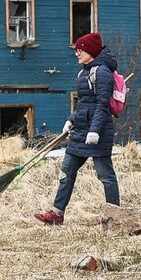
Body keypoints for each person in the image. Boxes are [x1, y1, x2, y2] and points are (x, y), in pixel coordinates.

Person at [34, 32, 120, 225]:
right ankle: (57, 213)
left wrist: (95, 131)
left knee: (105, 175)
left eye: (80, 50)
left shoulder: (103, 72)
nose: (77, 54)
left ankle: (115, 217)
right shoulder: (83, 73)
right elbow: (83, 103)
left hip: (98, 132)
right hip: (81, 131)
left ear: (90, 50)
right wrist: (71, 119)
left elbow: (102, 104)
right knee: (66, 170)